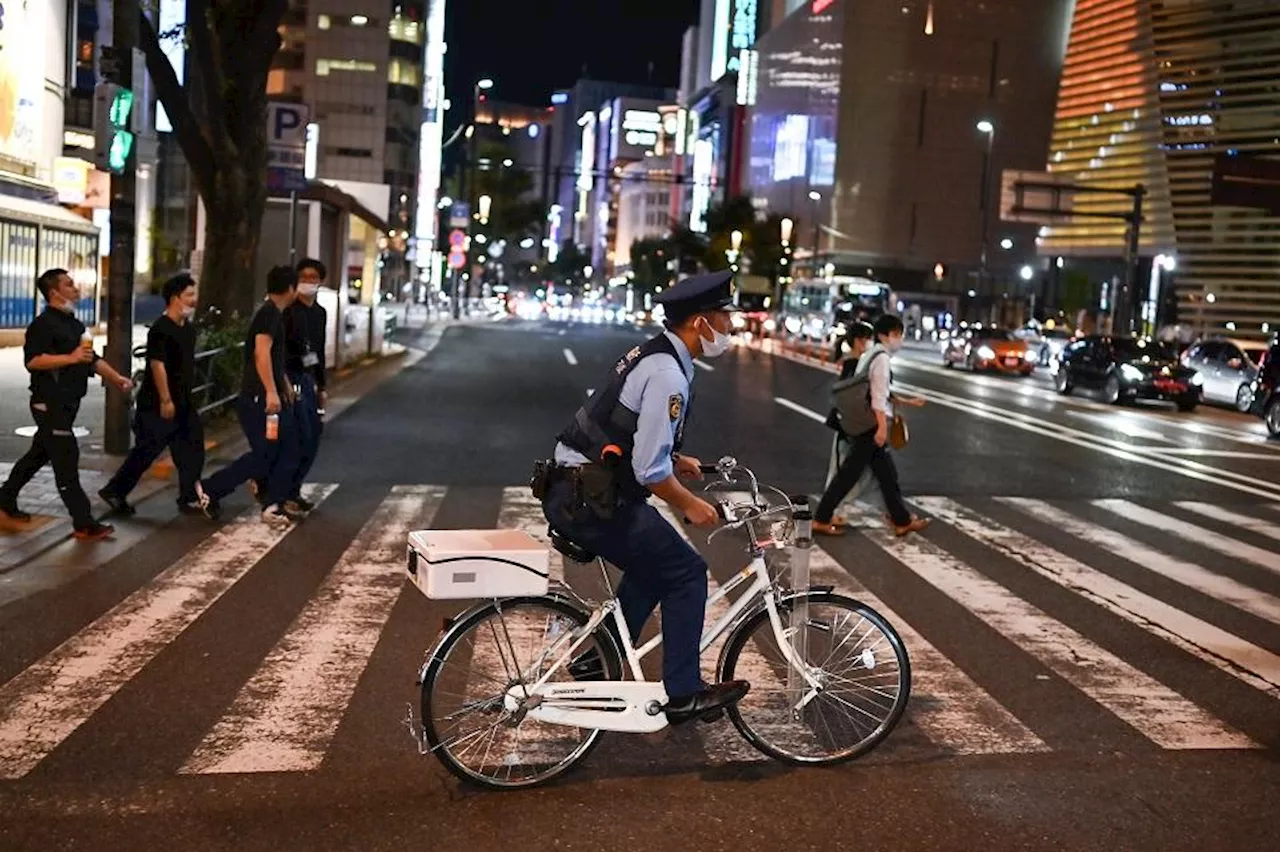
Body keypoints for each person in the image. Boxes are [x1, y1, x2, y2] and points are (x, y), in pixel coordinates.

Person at [536, 269, 750, 725]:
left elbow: (628, 431)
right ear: (699, 323)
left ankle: (598, 662)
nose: (730, 327)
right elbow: (647, 471)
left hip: (577, 486)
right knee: (686, 572)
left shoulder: (654, 355)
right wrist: (689, 503)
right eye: (724, 317)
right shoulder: (668, 373)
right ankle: (685, 691)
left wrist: (675, 458)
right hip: (588, 498)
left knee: (656, 567)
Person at [0, 268, 132, 540]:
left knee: (38, 455)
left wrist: (117, 379)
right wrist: (70, 358)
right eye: (69, 285)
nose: (76, 289)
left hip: (68, 403)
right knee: (66, 461)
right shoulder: (43, 324)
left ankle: (4, 499)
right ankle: (83, 522)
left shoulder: (73, 323)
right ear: (54, 293)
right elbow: (33, 361)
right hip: (49, 403)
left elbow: (90, 359)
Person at [193, 265, 301, 526]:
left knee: (282, 449)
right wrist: (272, 392)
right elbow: (261, 354)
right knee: (267, 452)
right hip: (259, 399)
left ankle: (270, 500)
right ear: (290, 288)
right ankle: (212, 488)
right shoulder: (268, 315)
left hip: (266, 396)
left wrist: (283, 384)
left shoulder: (273, 314)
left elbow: (273, 359)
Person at [813, 313, 929, 537]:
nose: (900, 340)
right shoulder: (881, 358)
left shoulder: (870, 355)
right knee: (850, 474)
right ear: (890, 334)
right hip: (870, 426)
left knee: (886, 474)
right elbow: (877, 396)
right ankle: (821, 517)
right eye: (899, 335)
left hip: (864, 423)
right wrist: (881, 427)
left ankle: (901, 520)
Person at [99, 272, 205, 517]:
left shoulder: (188, 329)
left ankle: (189, 496)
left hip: (184, 402)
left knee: (193, 448)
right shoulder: (161, 329)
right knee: (146, 451)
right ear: (175, 298)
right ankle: (114, 491)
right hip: (158, 403)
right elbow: (157, 365)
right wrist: (166, 399)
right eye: (189, 295)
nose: (193, 299)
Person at [281, 258, 328, 515]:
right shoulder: (288, 310)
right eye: (304, 277)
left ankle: (294, 490)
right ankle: (284, 493)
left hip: (309, 379)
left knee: (312, 437)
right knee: (299, 435)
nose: (308, 282)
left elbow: (318, 351)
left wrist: (322, 386)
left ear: (321, 281)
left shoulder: (319, 313)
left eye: (313, 278)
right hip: (291, 378)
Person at [823, 321, 876, 490]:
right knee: (842, 469)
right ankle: (833, 510)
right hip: (850, 425)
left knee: (849, 469)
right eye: (869, 339)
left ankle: (835, 509)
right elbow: (849, 396)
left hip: (851, 424)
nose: (870, 344)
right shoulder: (853, 365)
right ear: (860, 340)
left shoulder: (854, 363)